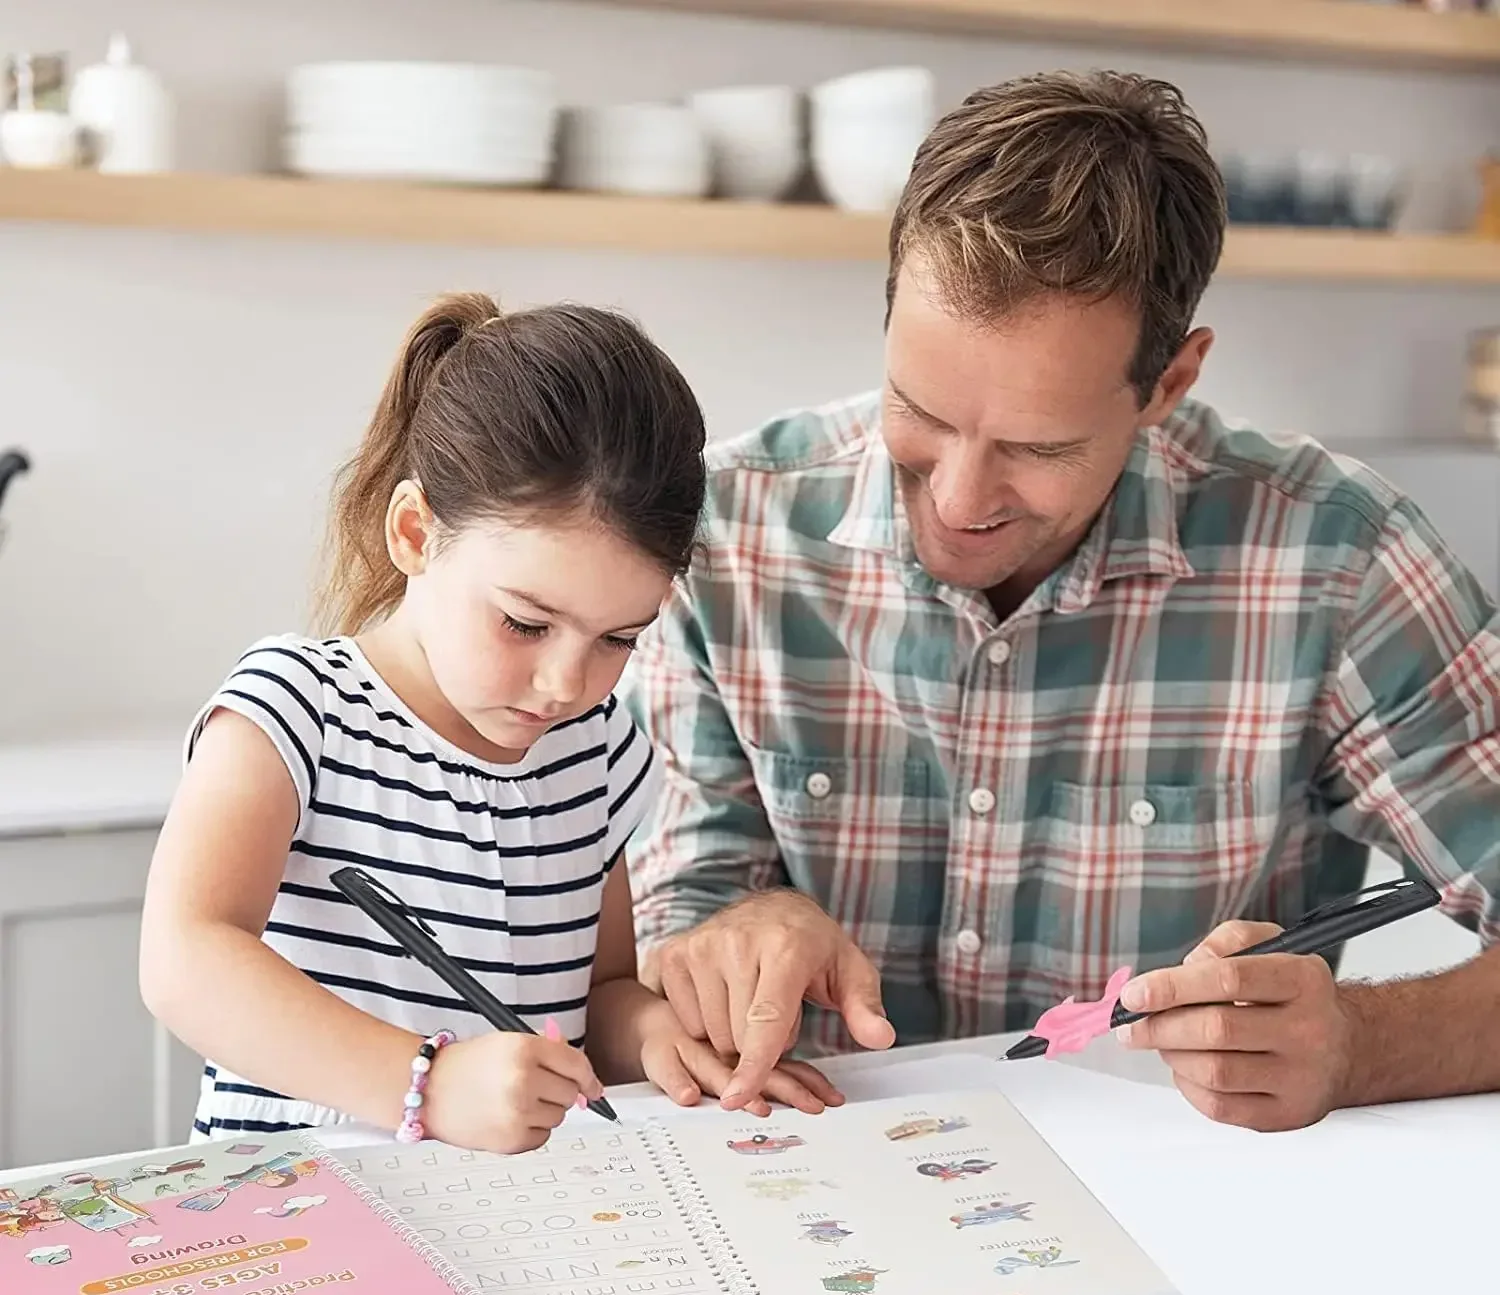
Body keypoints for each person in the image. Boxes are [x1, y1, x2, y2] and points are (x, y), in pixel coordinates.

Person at [625, 71, 1500, 1133]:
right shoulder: (728, 536)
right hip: (814, 1182)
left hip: (1201, 1225)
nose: (956, 497)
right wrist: (730, 929)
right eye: (920, 411)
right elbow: (675, 909)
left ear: (1170, 383)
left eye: (1039, 448)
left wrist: (1365, 1044)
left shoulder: (1337, 561)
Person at [140, 292, 840, 1154]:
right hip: (302, 1221)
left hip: (511, 1221)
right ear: (414, 533)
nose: (563, 683)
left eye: (619, 638)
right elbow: (185, 959)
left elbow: (601, 991)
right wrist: (424, 1087)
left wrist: (660, 1041)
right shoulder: (294, 712)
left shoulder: (597, 754)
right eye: (524, 623)